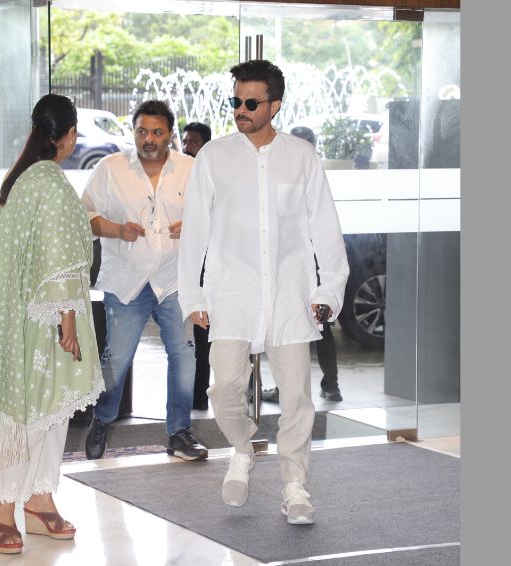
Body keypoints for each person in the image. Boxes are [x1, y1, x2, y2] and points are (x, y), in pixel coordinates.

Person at [178, 60, 349, 525]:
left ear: (275, 105)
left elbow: (325, 229)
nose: (241, 110)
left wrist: (328, 290)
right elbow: (195, 231)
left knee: (297, 399)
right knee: (223, 389)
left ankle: (295, 486)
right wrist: (193, 295)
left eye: (251, 102)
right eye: (235, 101)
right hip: (231, 293)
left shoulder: (302, 156)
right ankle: (242, 447)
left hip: (290, 294)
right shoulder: (214, 156)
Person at [0, 94, 104, 554]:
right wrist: (68, 319)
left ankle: (39, 498)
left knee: (50, 411)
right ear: (69, 135)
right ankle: (1, 507)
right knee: (37, 413)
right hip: (48, 319)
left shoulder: (24, 177)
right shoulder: (48, 183)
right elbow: (57, 258)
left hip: (31, 315)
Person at [82, 100, 208, 461]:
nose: (148, 139)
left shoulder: (191, 169)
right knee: (118, 358)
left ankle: (179, 433)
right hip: (127, 280)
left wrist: (194, 226)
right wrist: (117, 229)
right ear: (133, 132)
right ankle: (102, 419)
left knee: (184, 356)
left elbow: (215, 214)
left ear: (170, 134)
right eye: (141, 131)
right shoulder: (111, 168)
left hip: (175, 280)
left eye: (156, 132)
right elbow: (84, 214)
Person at [263, 126, 342, 404]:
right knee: (306, 326)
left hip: (312, 259)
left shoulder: (310, 172)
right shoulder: (291, 171)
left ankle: (327, 384)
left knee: (317, 321)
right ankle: (326, 385)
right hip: (298, 261)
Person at [180, 122, 214, 410]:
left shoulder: (212, 175)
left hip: (209, 268)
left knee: (205, 336)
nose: (186, 147)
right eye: (184, 142)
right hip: (184, 267)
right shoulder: (180, 174)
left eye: (192, 142)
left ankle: (200, 395)